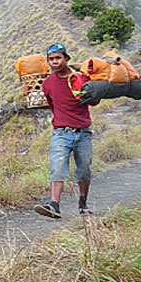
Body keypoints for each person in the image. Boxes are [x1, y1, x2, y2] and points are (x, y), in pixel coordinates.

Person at [34, 42, 97, 219]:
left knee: (84, 169)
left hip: (83, 132)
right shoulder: (47, 84)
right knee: (57, 167)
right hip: (61, 132)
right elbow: (52, 105)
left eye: (58, 58)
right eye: (51, 59)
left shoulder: (81, 79)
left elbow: (94, 101)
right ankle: (54, 205)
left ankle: (83, 203)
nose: (54, 61)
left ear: (66, 58)